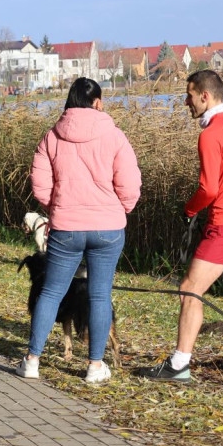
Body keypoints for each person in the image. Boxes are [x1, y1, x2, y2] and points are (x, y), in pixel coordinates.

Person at [17, 78, 141, 384]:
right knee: (100, 295)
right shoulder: (115, 136)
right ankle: (94, 366)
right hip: (108, 226)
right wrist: (119, 208)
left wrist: (57, 206)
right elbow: (129, 184)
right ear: (97, 102)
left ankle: (32, 361)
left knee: (51, 292)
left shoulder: (51, 137)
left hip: (66, 227)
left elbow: (40, 184)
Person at [136, 70, 223, 382]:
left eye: (189, 95)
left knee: (190, 290)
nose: (185, 101)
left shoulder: (210, 134)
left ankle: (180, 364)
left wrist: (189, 209)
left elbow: (208, 189)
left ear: (205, 96)